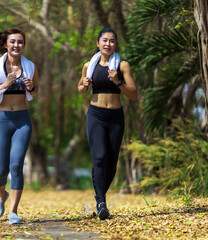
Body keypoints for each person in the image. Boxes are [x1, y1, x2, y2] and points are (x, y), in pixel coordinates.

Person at [77, 28, 138, 220]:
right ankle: (101, 203)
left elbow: (134, 94)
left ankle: (99, 196)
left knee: (111, 163)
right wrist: (84, 85)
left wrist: (117, 81)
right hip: (95, 114)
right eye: (104, 40)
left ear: (115, 44)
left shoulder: (122, 65)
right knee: (100, 157)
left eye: (112, 41)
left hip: (115, 116)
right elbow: (80, 89)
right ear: (98, 43)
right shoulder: (89, 65)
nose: (108, 44)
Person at [0, 28, 38, 224]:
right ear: (5, 44)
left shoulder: (30, 66)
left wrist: (31, 87)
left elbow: (34, 92)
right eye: (12, 42)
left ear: (24, 45)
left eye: (20, 42)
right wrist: (3, 85)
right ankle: (1, 195)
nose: (16, 45)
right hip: (1, 120)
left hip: (22, 120)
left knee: (16, 165)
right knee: (0, 171)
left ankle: (13, 212)